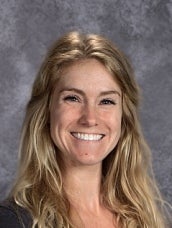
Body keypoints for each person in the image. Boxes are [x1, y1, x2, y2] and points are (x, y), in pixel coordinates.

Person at [0, 31, 169, 228]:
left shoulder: (142, 217)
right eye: (73, 98)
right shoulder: (13, 221)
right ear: (47, 110)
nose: (90, 118)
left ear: (124, 117)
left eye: (106, 101)